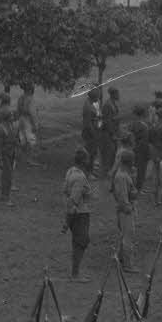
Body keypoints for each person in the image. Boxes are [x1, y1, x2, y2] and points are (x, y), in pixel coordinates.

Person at [62, 147, 95, 282]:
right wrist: (67, 221)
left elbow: (66, 193)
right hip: (79, 214)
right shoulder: (80, 177)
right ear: (84, 161)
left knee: (79, 241)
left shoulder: (71, 171)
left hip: (75, 212)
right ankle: (75, 274)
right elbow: (74, 200)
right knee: (81, 242)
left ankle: (75, 272)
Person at [111, 148, 138, 271]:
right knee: (128, 237)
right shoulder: (122, 176)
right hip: (125, 210)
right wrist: (129, 208)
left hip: (124, 209)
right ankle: (128, 264)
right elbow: (122, 197)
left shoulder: (122, 174)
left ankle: (120, 259)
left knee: (125, 236)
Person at [0, 93, 18, 205]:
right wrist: (0, 159)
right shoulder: (1, 129)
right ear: (7, 118)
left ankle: (5, 196)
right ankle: (6, 197)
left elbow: (14, 140)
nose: (13, 117)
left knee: (8, 175)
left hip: (11, 153)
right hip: (5, 155)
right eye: (11, 116)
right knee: (6, 176)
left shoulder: (11, 126)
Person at [16, 84, 41, 166]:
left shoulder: (20, 98)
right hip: (28, 121)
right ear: (30, 90)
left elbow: (17, 111)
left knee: (23, 140)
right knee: (31, 140)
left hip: (21, 120)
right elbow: (32, 113)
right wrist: (35, 124)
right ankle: (30, 160)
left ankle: (25, 158)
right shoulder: (31, 99)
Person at [130, 105, 151, 195]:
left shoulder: (133, 124)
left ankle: (134, 186)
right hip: (142, 150)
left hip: (134, 148)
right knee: (141, 170)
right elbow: (145, 141)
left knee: (134, 168)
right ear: (143, 114)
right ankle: (139, 188)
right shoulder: (144, 126)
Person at [100, 86, 121, 173]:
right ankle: (106, 170)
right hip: (108, 133)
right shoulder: (107, 105)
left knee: (114, 152)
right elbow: (107, 121)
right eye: (117, 94)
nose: (119, 95)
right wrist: (112, 134)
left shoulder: (113, 103)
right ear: (113, 94)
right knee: (109, 152)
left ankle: (111, 170)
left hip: (114, 132)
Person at [81, 87, 102, 174]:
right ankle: (88, 172)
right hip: (90, 133)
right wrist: (94, 134)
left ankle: (91, 169)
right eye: (98, 96)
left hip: (91, 131)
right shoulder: (88, 107)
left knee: (93, 152)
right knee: (90, 152)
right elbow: (88, 123)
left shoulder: (90, 103)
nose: (98, 98)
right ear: (94, 97)